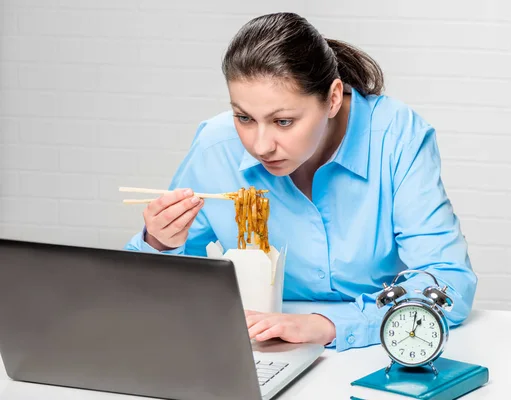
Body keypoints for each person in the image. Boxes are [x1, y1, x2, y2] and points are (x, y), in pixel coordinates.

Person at [125, 12, 477, 352]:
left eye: (283, 121)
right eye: (244, 117)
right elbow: (152, 294)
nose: (260, 145)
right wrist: (160, 243)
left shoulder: (396, 137)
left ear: (333, 98)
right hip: (255, 346)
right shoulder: (216, 146)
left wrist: (328, 325)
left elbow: (449, 283)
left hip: (381, 346)